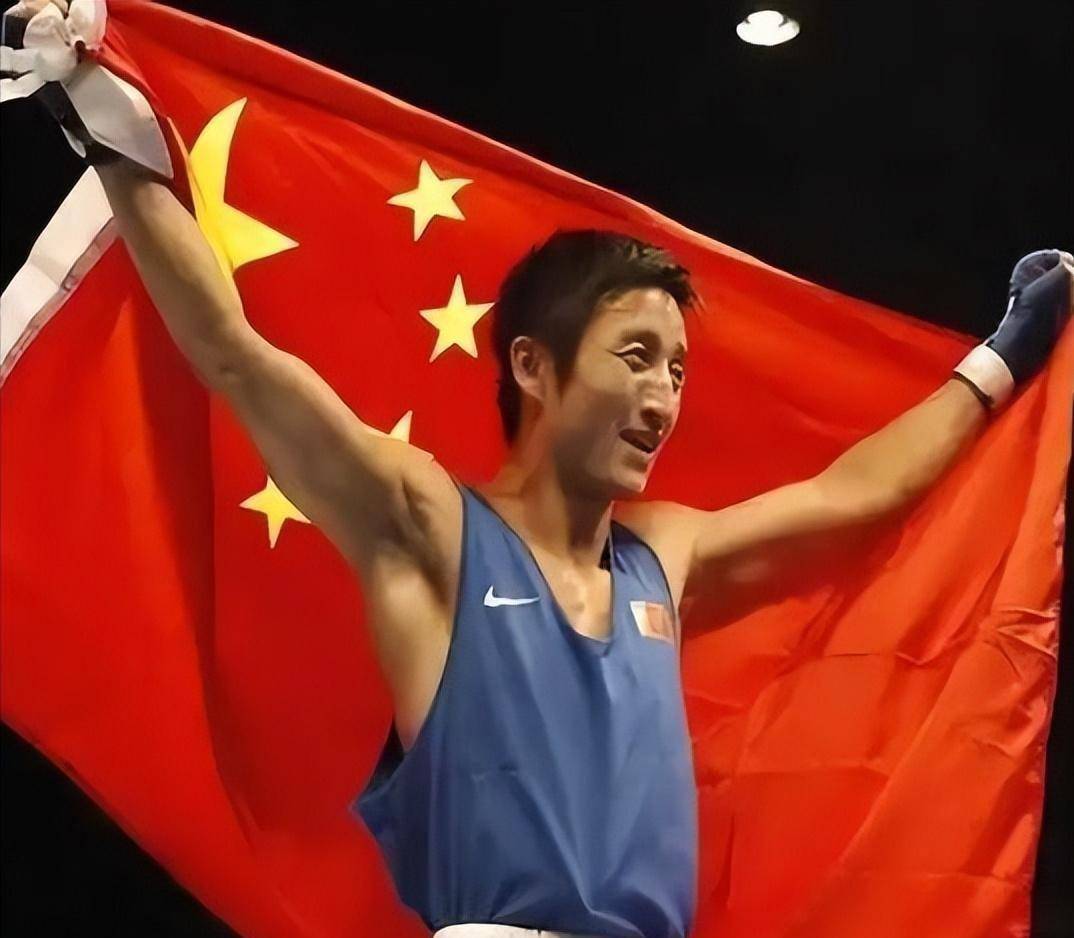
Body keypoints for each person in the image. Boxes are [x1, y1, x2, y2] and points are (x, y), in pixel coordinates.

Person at [4, 3, 1072, 937]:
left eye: (678, 370)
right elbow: (234, 352)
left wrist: (1001, 358)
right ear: (533, 365)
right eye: (636, 356)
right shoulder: (426, 523)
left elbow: (858, 495)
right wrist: (106, 123)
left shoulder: (666, 553)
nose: (663, 397)